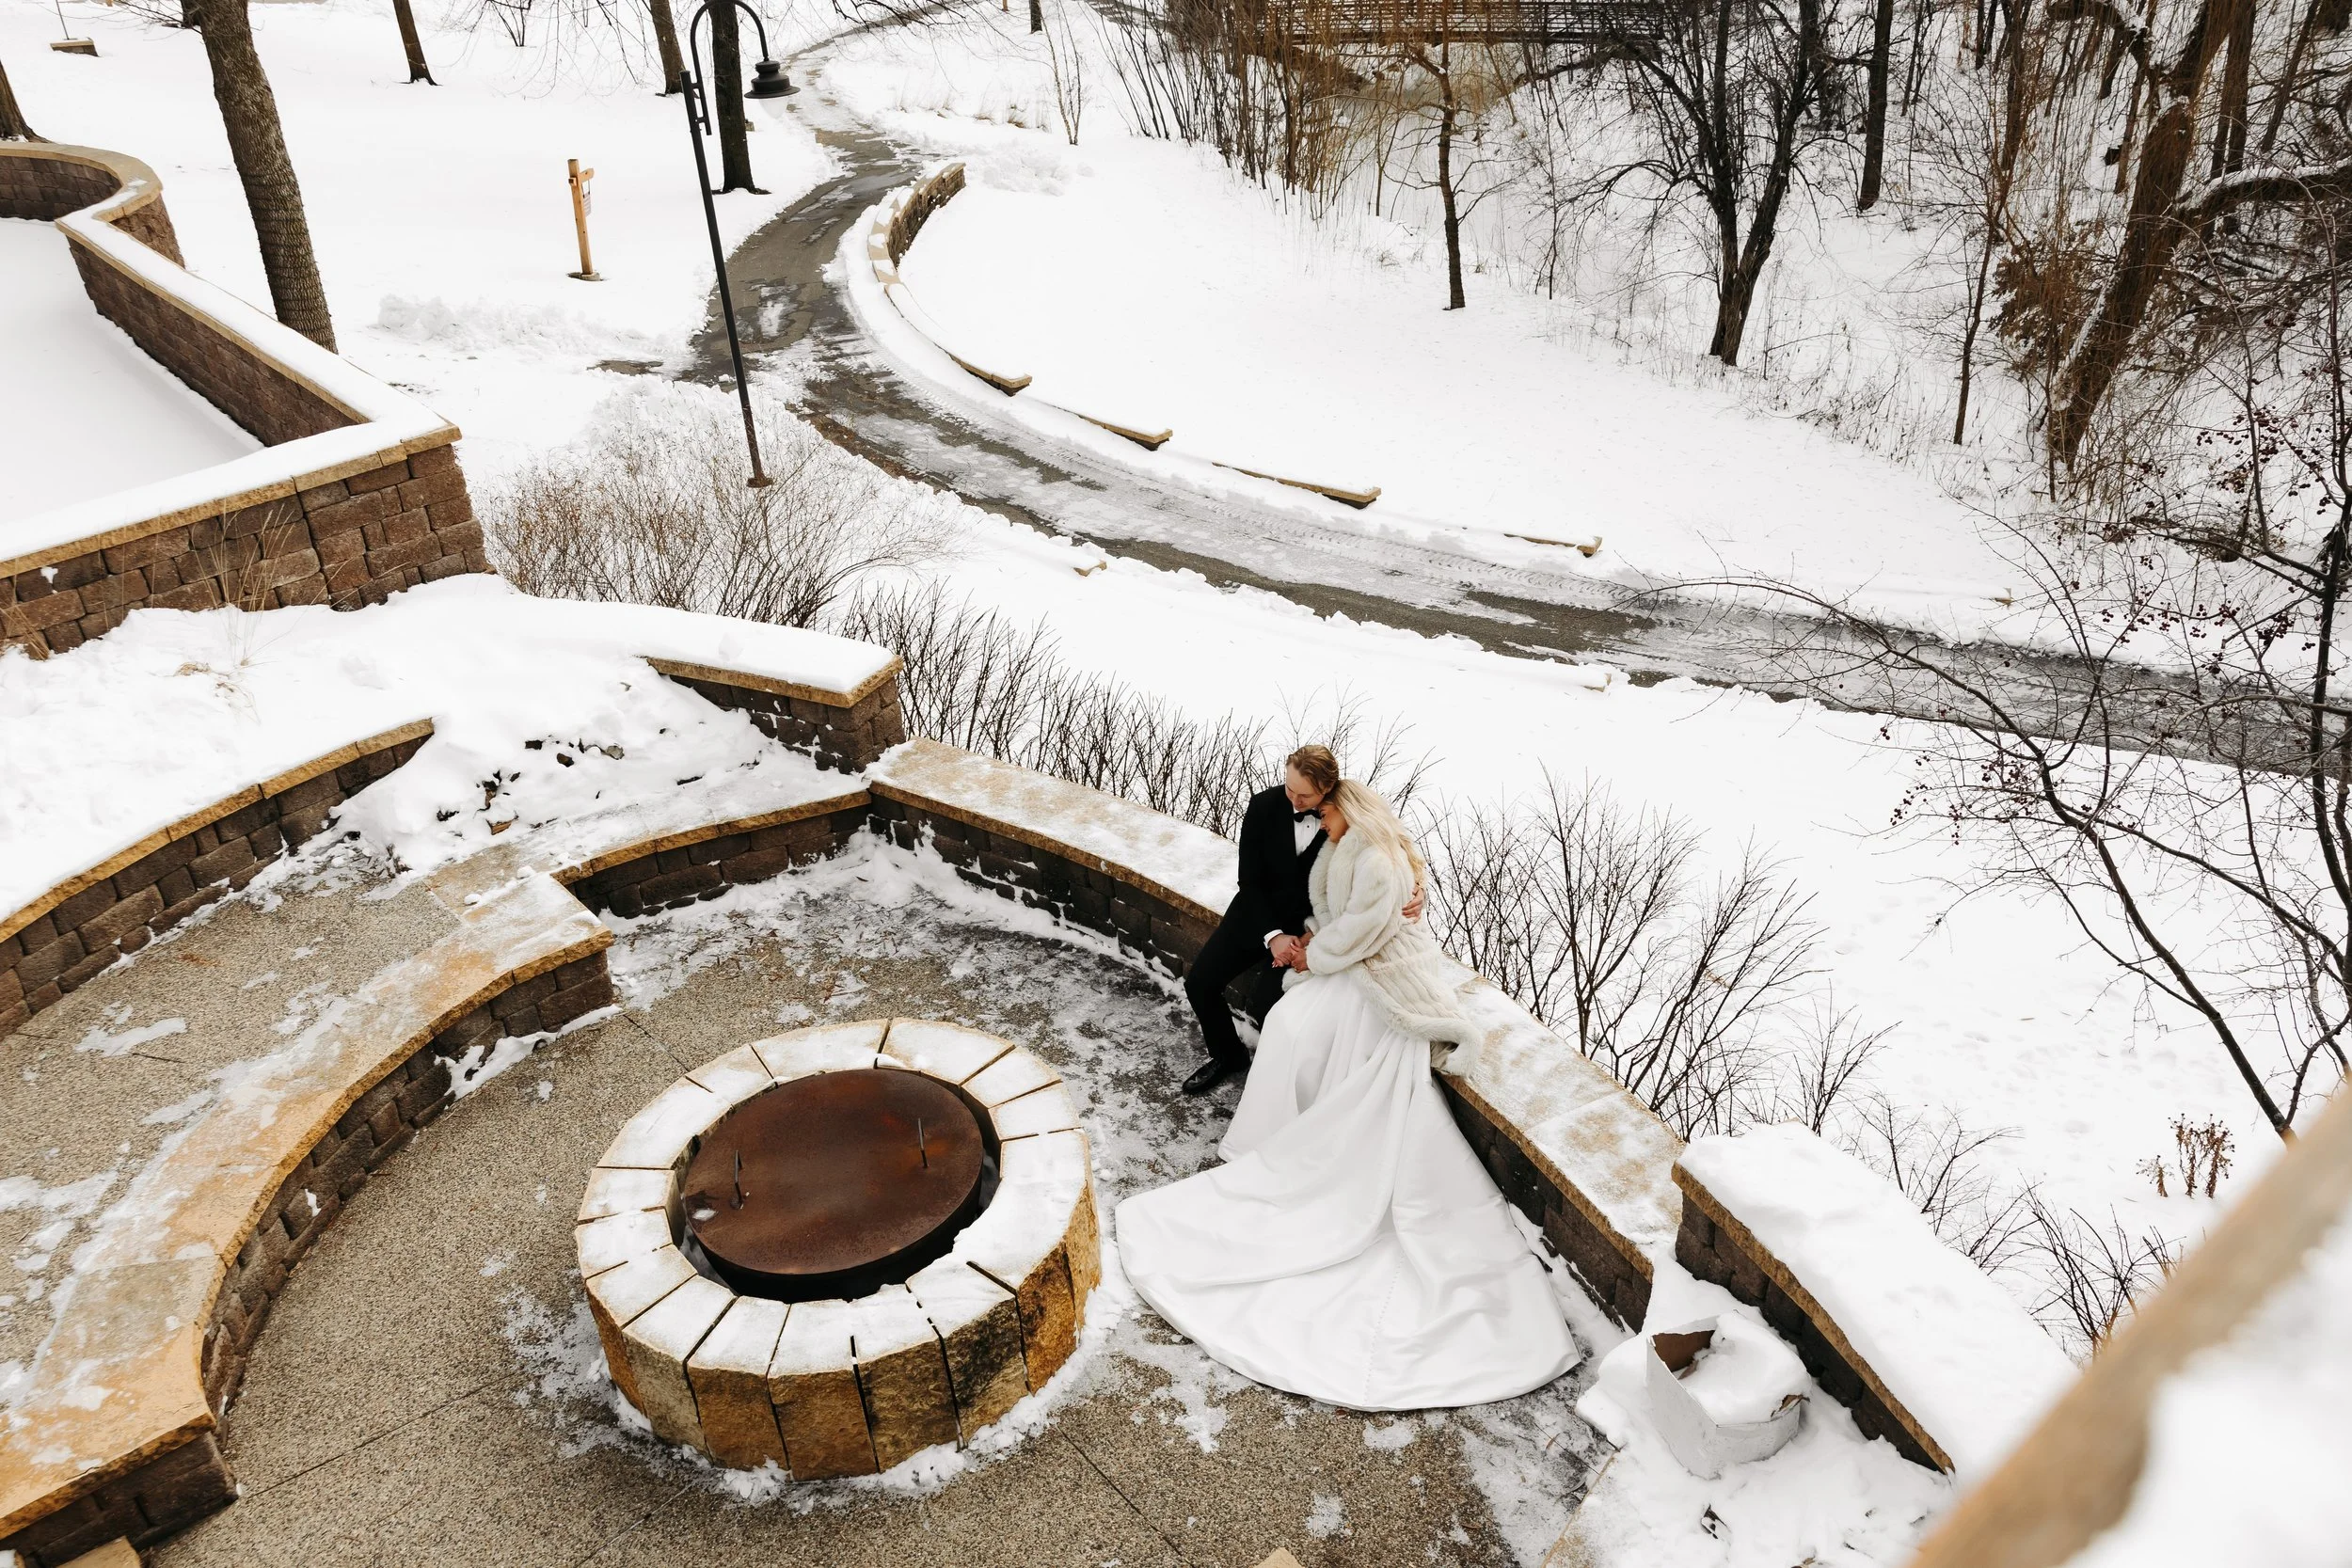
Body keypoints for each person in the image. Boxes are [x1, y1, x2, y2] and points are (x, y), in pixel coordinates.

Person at [1119, 780, 1579, 1410]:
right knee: (1284, 1024)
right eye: (1311, 806)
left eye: (1323, 808)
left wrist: (1316, 955)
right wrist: (1296, 940)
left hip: (1373, 973)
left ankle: (1313, 1138)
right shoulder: (1307, 829)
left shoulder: (1376, 857)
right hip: (1329, 953)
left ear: (1341, 808)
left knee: (1297, 1027)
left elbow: (1363, 926)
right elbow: (1285, 894)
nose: (1314, 815)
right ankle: (1278, 1118)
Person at [1176, 745, 1341, 1096]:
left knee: (1273, 1009)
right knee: (1201, 984)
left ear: (1327, 788)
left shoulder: (1345, 813)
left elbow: (1390, 847)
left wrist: (1416, 887)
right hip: (1253, 916)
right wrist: (1273, 934)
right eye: (1289, 789)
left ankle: (1280, 1086)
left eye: (1305, 794)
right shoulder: (1263, 805)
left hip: (1308, 932)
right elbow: (1249, 881)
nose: (1295, 800)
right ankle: (1229, 1056)